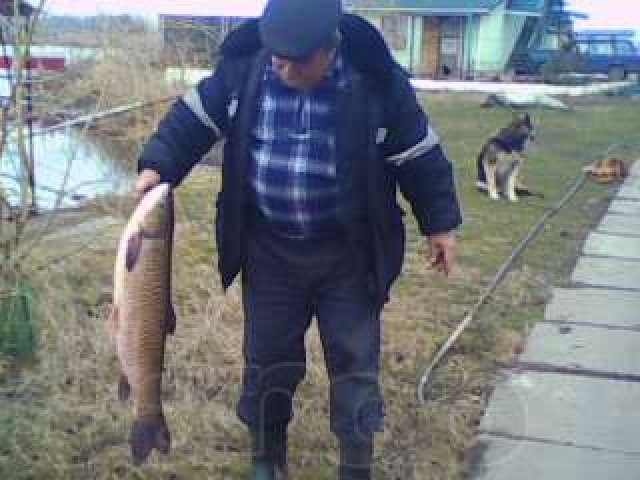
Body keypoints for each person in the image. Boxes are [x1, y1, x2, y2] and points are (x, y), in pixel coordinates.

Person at [135, 0, 462, 478]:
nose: (280, 66)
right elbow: (192, 120)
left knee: (354, 366)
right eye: (275, 54)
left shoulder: (376, 81)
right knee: (266, 362)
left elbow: (419, 154)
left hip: (349, 256)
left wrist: (439, 224)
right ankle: (267, 459)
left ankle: (355, 462)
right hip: (270, 253)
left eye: (296, 59)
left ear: (331, 49)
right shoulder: (247, 68)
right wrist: (156, 166)